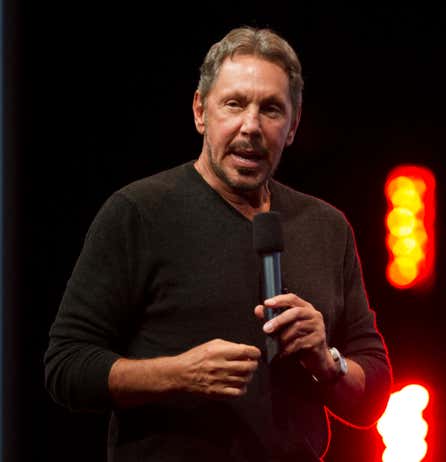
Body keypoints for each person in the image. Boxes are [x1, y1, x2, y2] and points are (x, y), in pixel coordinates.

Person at [44, 26, 391, 461]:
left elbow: (373, 394)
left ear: (293, 126)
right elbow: (66, 368)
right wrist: (179, 374)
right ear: (200, 111)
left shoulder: (326, 227)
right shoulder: (139, 212)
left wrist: (327, 361)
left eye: (271, 110)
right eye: (234, 104)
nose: (251, 126)